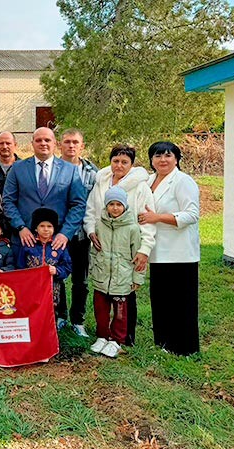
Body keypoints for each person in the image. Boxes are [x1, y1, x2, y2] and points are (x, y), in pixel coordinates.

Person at [2, 127, 87, 329]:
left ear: (55, 143)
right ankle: (24, 325)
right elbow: (8, 201)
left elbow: (78, 204)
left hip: (55, 240)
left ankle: (54, 321)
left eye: (47, 140)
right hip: (25, 239)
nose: (43, 143)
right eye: (38, 140)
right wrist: (21, 227)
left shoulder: (70, 170)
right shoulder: (18, 168)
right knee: (23, 283)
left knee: (54, 280)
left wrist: (65, 233)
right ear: (32, 143)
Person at [84, 144, 156, 345]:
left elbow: (147, 220)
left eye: (125, 162)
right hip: (104, 244)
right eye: (115, 161)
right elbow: (91, 211)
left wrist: (144, 249)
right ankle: (103, 335)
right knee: (103, 294)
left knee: (125, 294)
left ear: (132, 164)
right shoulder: (101, 182)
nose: (119, 165)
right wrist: (91, 231)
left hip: (127, 246)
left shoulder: (140, 186)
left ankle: (123, 337)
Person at [139, 141, 200, 356]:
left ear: (176, 159)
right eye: (157, 156)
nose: (162, 160)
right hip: (157, 250)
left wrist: (158, 217)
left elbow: (191, 214)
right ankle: (163, 342)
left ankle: (184, 347)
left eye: (168, 155)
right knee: (161, 299)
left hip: (180, 251)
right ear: (151, 160)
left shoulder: (183, 181)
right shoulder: (148, 180)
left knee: (181, 301)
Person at [89, 186, 144, 358]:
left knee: (120, 313)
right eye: (111, 204)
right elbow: (94, 250)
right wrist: (93, 268)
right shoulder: (100, 225)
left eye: (119, 204)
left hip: (122, 278)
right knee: (100, 310)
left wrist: (137, 278)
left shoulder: (132, 228)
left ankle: (116, 340)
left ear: (125, 206)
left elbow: (138, 255)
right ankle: (102, 336)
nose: (115, 208)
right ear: (106, 206)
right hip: (102, 276)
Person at [58, 129, 99, 337]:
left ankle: (78, 320)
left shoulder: (92, 172)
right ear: (60, 145)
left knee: (80, 279)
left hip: (82, 234)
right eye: (67, 142)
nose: (71, 146)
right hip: (58, 234)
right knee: (57, 277)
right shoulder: (53, 169)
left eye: (75, 142)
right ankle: (60, 315)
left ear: (82, 146)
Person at [17, 208, 73, 324]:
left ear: (54, 228)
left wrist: (56, 271)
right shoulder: (28, 245)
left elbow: (67, 267)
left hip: (52, 289)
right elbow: (20, 266)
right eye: (42, 226)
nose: (46, 229)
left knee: (51, 315)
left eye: (49, 226)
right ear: (35, 228)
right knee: (32, 314)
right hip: (31, 289)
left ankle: (51, 334)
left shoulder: (59, 246)